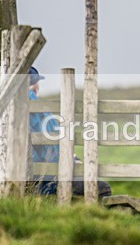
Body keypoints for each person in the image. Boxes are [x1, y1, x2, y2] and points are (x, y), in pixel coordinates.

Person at [28, 67, 112, 198]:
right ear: (33, 84)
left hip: (31, 175)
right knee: (103, 188)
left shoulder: (12, 105)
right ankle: (89, 216)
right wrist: (72, 162)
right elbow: (51, 148)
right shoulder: (36, 105)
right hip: (47, 180)